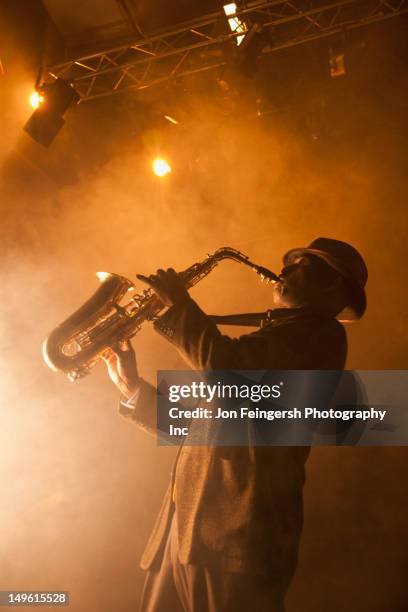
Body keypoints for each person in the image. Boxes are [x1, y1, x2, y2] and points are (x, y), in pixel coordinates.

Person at [103, 237, 368, 612]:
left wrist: (179, 306)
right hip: (188, 536)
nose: (286, 269)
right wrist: (134, 389)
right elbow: (206, 430)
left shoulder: (319, 334)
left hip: (236, 540)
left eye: (302, 265)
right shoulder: (281, 335)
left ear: (332, 284)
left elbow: (225, 370)